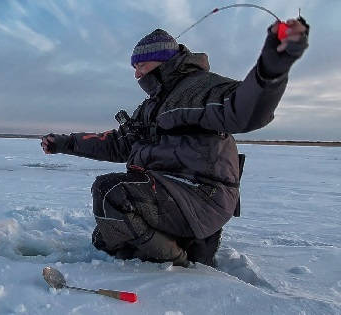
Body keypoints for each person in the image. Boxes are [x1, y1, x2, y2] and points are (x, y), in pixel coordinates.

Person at [41, 19, 309, 267]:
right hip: (174, 196)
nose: (136, 75)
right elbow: (116, 143)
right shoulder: (153, 105)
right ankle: (187, 247)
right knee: (105, 238)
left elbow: (243, 108)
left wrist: (271, 69)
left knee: (110, 192)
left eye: (140, 66)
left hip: (201, 198)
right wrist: (63, 143)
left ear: (160, 61)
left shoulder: (199, 88)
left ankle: (179, 264)